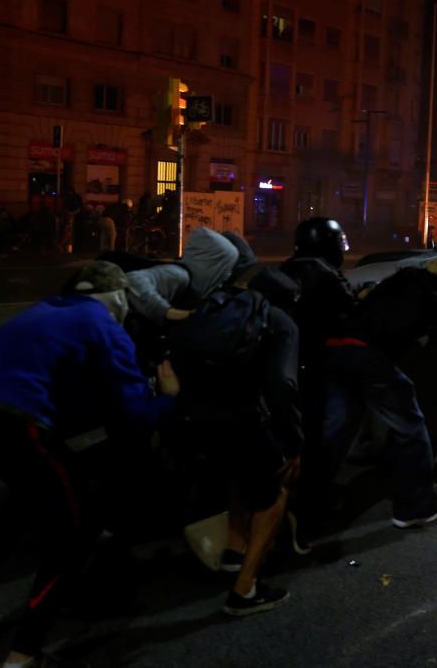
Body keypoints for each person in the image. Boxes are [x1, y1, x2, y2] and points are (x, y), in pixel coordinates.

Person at [0, 261, 180, 668]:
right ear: (118, 299)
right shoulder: (104, 324)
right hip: (13, 421)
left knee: (28, 495)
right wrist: (169, 397)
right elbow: (136, 414)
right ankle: (24, 654)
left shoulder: (47, 310)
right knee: (76, 529)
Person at [169, 239, 302, 616]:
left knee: (240, 477)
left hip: (190, 414)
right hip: (238, 416)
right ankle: (245, 590)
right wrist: (294, 444)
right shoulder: (281, 322)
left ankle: (233, 547)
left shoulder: (218, 306)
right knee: (273, 495)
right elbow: (283, 384)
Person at [323, 256, 437, 528]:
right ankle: (415, 505)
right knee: (410, 424)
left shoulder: (396, 281)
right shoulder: (436, 292)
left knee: (337, 427)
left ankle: (309, 498)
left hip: (337, 347)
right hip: (368, 355)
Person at [280, 218, 359, 552]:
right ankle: (309, 518)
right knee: (327, 436)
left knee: (298, 440)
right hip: (317, 368)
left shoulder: (287, 268)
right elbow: (353, 312)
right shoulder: (323, 272)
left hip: (287, 368)